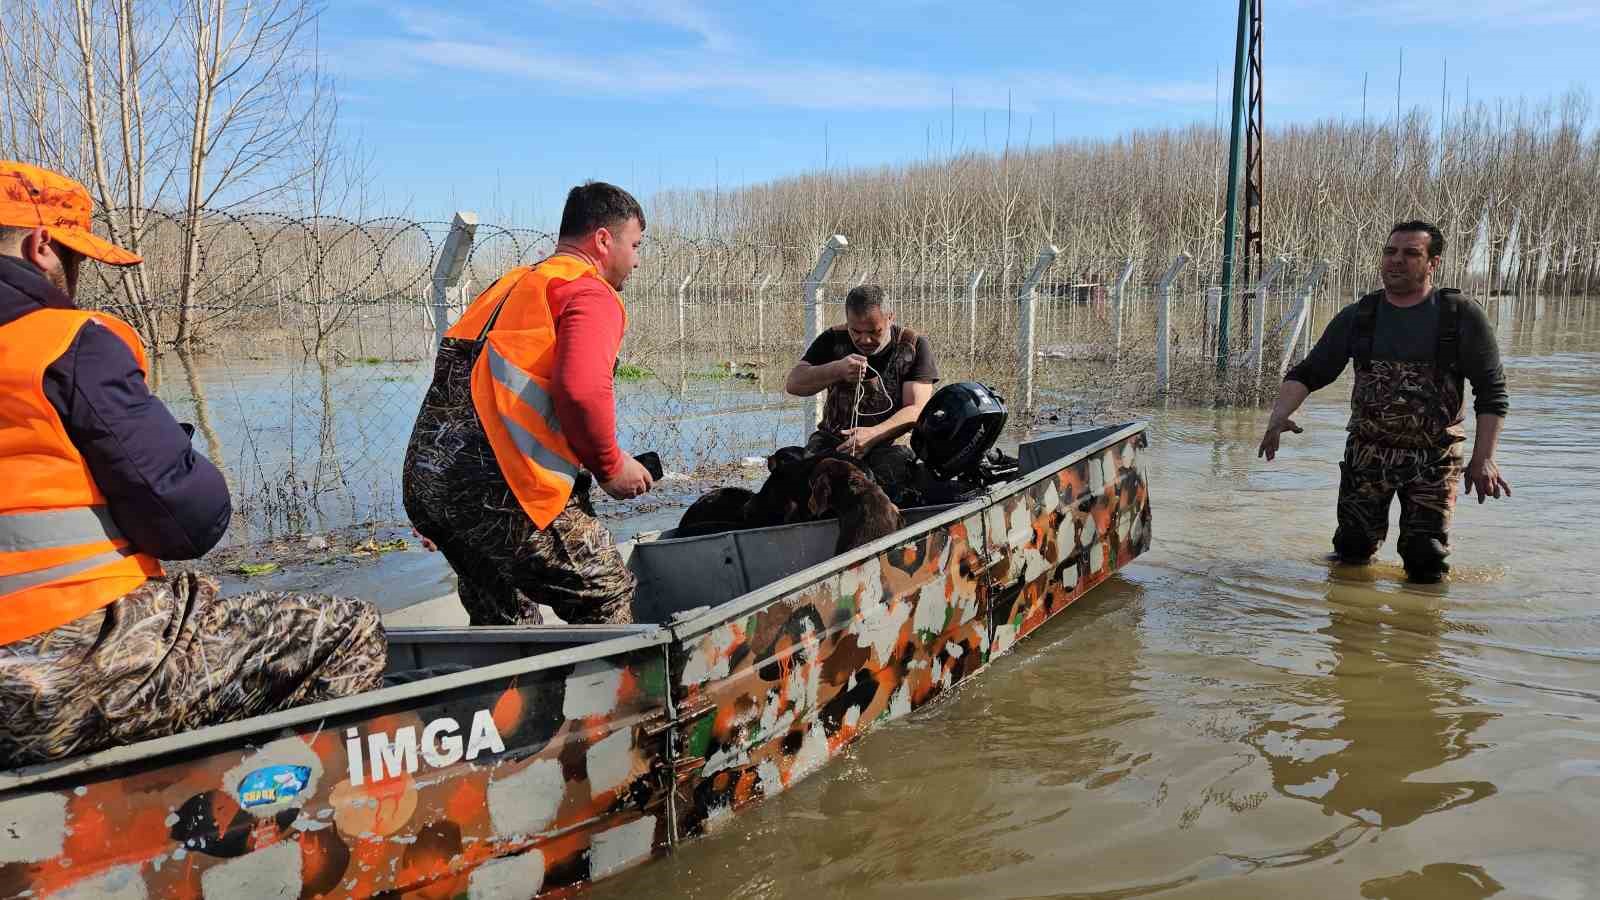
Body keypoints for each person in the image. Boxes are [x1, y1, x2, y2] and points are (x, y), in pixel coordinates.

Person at [0, 161, 385, 767]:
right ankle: (278, 820)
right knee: (350, 631)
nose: (76, 278)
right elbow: (190, 521)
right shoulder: (65, 343)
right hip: (55, 674)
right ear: (42, 245)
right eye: (76, 261)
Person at [403, 181, 653, 626]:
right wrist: (611, 466)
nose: (636, 260)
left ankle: (510, 693)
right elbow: (581, 391)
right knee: (605, 590)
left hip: (429, 485)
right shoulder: (588, 293)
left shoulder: (510, 286)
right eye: (635, 245)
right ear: (602, 240)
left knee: (503, 608)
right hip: (501, 488)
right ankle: (618, 695)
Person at [1258, 220, 1511, 584]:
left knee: (1426, 560)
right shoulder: (1361, 315)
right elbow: (1309, 372)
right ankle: (1351, 632)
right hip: (1368, 454)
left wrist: (1484, 457)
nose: (1397, 260)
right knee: (1351, 552)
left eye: (1411, 254)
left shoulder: (1459, 315)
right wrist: (1279, 415)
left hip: (1434, 459)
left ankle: (1420, 636)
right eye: (1391, 252)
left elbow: (1492, 391)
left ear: (1432, 263)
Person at [784, 284, 939, 491]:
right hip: (834, 440)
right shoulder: (833, 339)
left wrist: (874, 433)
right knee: (801, 482)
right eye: (855, 331)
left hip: (888, 444)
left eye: (875, 332)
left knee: (897, 482)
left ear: (890, 317)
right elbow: (794, 384)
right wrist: (836, 370)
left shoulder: (913, 345)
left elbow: (916, 409)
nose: (864, 339)